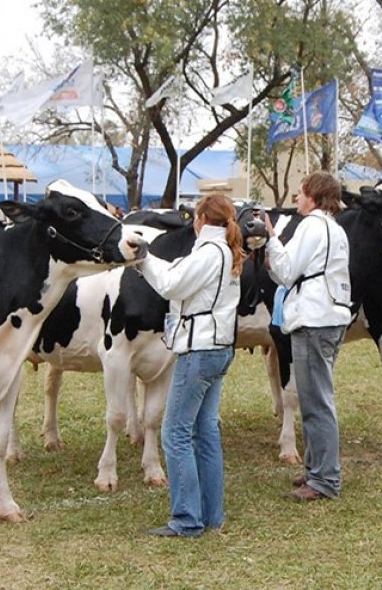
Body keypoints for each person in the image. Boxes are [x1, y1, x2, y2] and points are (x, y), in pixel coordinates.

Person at [137, 194, 244, 537]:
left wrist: (142, 259)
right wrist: (150, 260)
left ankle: (186, 519)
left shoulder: (209, 252)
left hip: (198, 349)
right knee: (205, 432)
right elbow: (177, 272)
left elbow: (170, 285)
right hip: (218, 347)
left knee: (176, 434)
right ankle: (211, 513)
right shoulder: (224, 252)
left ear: (200, 219)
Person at [263, 171, 352, 501]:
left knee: (316, 402)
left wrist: (272, 238)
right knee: (317, 396)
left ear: (314, 197)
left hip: (314, 318)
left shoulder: (312, 226)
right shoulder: (335, 228)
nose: (296, 199)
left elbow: (286, 272)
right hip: (330, 314)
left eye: (300, 193)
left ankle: (326, 479)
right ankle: (317, 467)